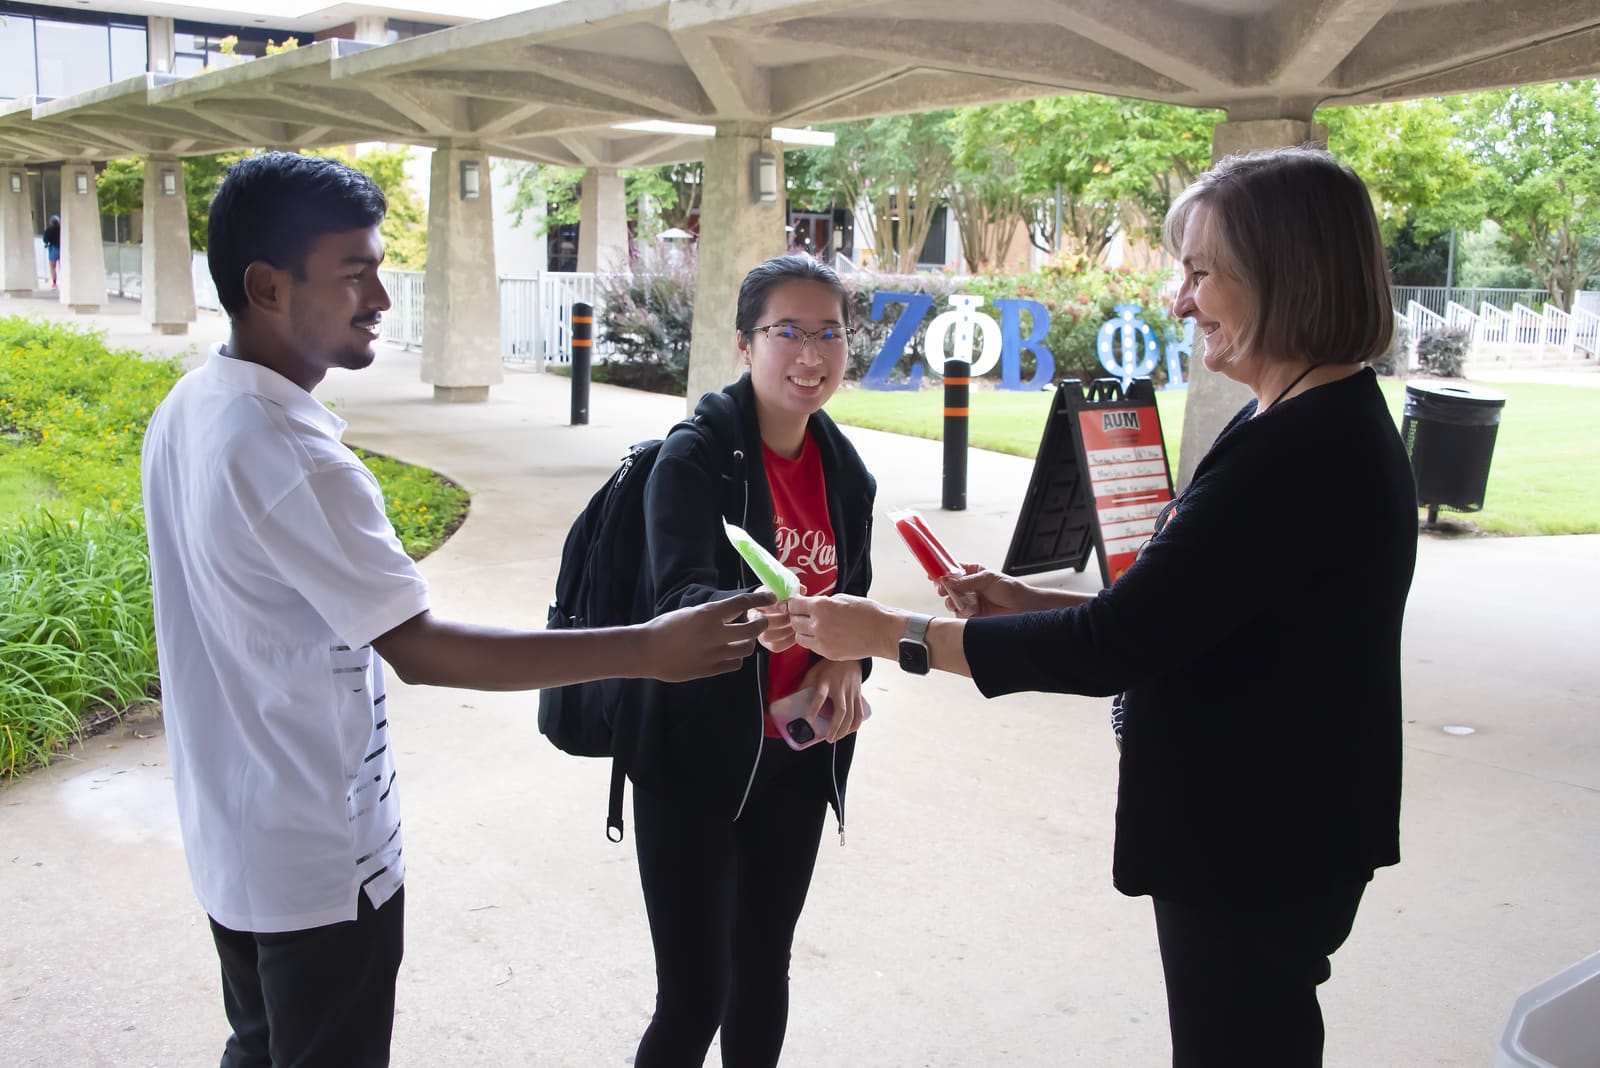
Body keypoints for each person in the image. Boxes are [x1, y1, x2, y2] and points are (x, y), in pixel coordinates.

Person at [783, 147, 1418, 1068]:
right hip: (1282, 827)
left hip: (1258, 840)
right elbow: (1198, 610)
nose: (1179, 297)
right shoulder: (1299, 420)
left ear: (1286, 276)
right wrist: (1024, 601)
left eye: (1202, 272)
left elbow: (1112, 646)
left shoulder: (1299, 452)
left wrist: (891, 634)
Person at [140, 152, 773, 1068]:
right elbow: (424, 648)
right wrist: (646, 646)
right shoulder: (294, 457)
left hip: (237, 839)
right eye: (353, 272)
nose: (382, 299)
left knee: (262, 1047)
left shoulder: (194, 404)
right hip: (321, 860)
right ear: (267, 286)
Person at [619, 253, 877, 1067]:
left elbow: (853, 607)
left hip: (796, 757)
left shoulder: (846, 471)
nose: (811, 355)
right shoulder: (694, 457)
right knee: (696, 995)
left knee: (764, 973)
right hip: (697, 759)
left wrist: (845, 664)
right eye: (787, 332)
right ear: (744, 343)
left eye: (829, 332)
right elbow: (677, 598)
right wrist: (756, 613)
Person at [42, 214, 60, 288]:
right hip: (61, 249)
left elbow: (45, 239)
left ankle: (54, 283)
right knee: (62, 266)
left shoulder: (48, 230)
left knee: (52, 267)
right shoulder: (61, 229)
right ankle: (65, 281)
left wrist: (47, 243)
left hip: (53, 248)